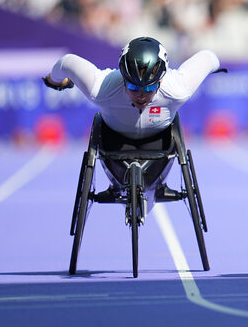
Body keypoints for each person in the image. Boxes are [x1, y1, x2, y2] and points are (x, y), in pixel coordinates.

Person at [43, 36, 222, 209]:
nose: (141, 95)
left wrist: (56, 81)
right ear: (123, 78)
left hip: (159, 145)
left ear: (161, 80)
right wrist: (54, 80)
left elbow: (209, 58)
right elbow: (66, 62)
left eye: (150, 87)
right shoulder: (101, 87)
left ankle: (156, 184)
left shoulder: (177, 88)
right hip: (115, 144)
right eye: (133, 87)